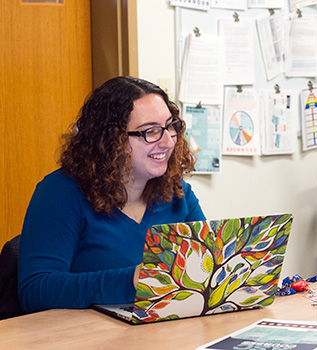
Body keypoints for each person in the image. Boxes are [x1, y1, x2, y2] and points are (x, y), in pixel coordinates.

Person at [18, 76, 205, 313]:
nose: (168, 141)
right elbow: (35, 290)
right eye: (151, 131)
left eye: (170, 126)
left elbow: (204, 270)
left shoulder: (179, 192)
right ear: (110, 139)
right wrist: (131, 281)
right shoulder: (60, 192)